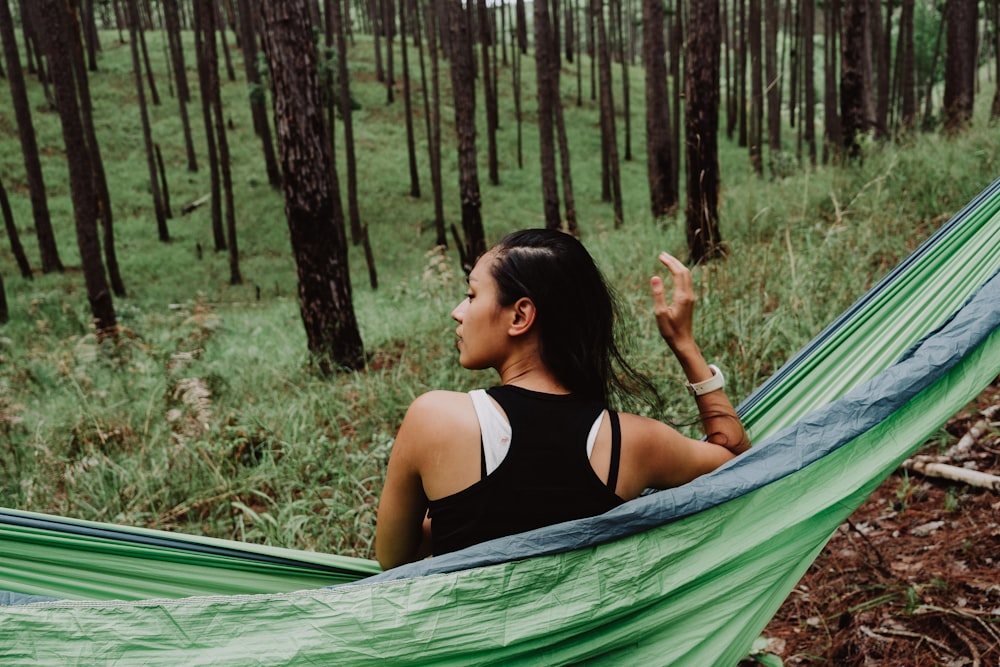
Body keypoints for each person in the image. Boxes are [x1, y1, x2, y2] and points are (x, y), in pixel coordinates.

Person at [375, 229, 750, 570]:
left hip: (466, 643)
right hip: (590, 645)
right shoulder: (631, 442)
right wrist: (685, 345)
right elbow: (742, 467)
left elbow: (393, 558)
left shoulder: (435, 418)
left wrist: (458, 511)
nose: (458, 312)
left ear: (520, 316)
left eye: (472, 295)